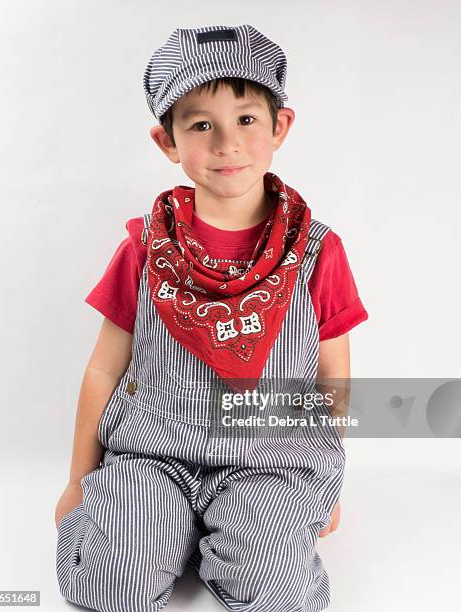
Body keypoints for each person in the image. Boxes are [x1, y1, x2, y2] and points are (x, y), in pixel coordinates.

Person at [55, 24, 368, 612]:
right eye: (202, 125)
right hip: (154, 456)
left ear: (280, 127)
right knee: (110, 584)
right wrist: (77, 481)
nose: (228, 143)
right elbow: (103, 371)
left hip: (272, 460)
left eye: (247, 120)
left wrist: (328, 481)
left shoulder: (318, 251)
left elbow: (333, 379)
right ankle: (161, 530)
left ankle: (231, 538)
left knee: (275, 591)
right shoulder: (145, 250)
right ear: (167, 141)